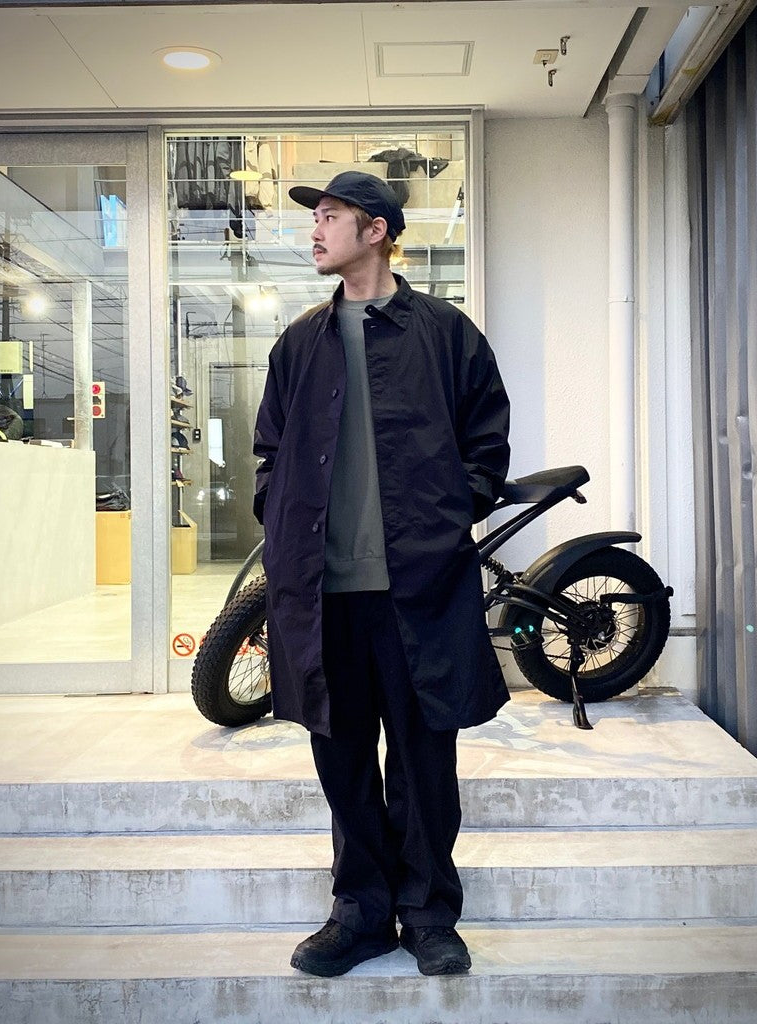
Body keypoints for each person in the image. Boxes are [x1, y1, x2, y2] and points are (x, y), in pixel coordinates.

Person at [252, 170, 511, 978]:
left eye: (331, 216)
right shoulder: (301, 341)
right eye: (316, 217)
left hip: (418, 588)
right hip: (324, 595)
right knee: (343, 762)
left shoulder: (446, 332)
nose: (315, 229)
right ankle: (361, 914)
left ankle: (428, 914)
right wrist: (280, 516)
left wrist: (445, 517)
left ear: (377, 231)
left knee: (426, 761)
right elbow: (270, 452)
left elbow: (487, 442)